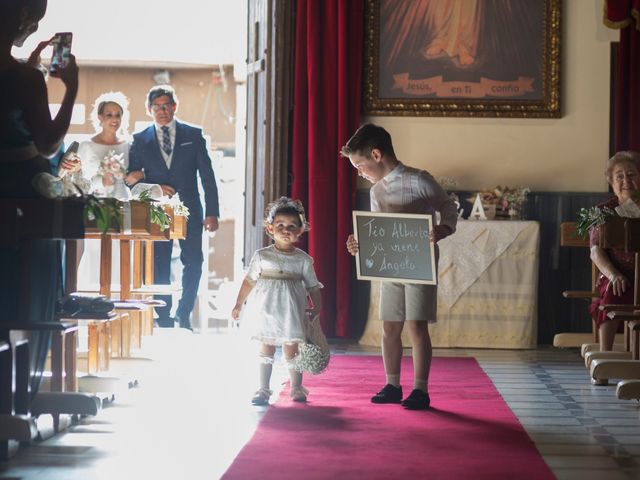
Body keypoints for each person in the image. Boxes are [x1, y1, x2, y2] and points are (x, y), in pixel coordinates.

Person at [342, 124, 457, 410]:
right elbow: (376, 228)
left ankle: (420, 389)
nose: (359, 172)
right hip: (389, 265)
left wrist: (443, 228)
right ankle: (392, 384)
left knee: (417, 326)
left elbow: (448, 205)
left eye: (360, 165)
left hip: (419, 263)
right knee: (389, 325)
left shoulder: (419, 180)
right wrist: (360, 243)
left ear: (377, 154)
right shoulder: (376, 190)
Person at [0, 0, 78, 393]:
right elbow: (48, 145)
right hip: (21, 190)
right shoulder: (24, 80)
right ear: (17, 20)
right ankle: (18, 389)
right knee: (24, 288)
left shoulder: (23, 75)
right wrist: (70, 90)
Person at [128, 85, 220, 330]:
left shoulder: (193, 134)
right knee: (160, 261)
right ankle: (164, 315)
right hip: (156, 210)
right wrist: (155, 188)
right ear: (149, 110)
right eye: (157, 106)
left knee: (194, 261)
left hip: (190, 207)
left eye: (167, 105)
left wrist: (212, 212)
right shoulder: (139, 140)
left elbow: (207, 177)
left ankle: (184, 312)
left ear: (174, 107)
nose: (162, 110)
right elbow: (131, 181)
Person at [232, 197, 323, 405]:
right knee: (266, 348)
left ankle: (297, 387)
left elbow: (313, 286)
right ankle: (263, 388)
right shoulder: (262, 256)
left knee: (292, 349)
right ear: (270, 228)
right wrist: (238, 304)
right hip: (266, 311)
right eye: (280, 225)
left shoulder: (302, 259)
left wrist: (317, 306)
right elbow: (249, 281)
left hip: (291, 312)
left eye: (292, 226)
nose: (285, 230)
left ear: (301, 230)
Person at [589, 151, 640, 352]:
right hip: (618, 274)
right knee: (614, 289)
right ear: (612, 182)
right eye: (620, 176)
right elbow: (595, 251)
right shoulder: (602, 211)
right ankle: (605, 357)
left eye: (632, 174)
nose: (626, 180)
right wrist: (613, 274)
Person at [77, 91, 142, 200]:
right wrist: (101, 181)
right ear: (100, 117)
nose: (114, 119)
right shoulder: (86, 146)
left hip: (123, 201)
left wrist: (140, 174)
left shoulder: (129, 145)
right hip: (96, 203)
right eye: (109, 115)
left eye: (118, 115)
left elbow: (139, 173)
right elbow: (79, 181)